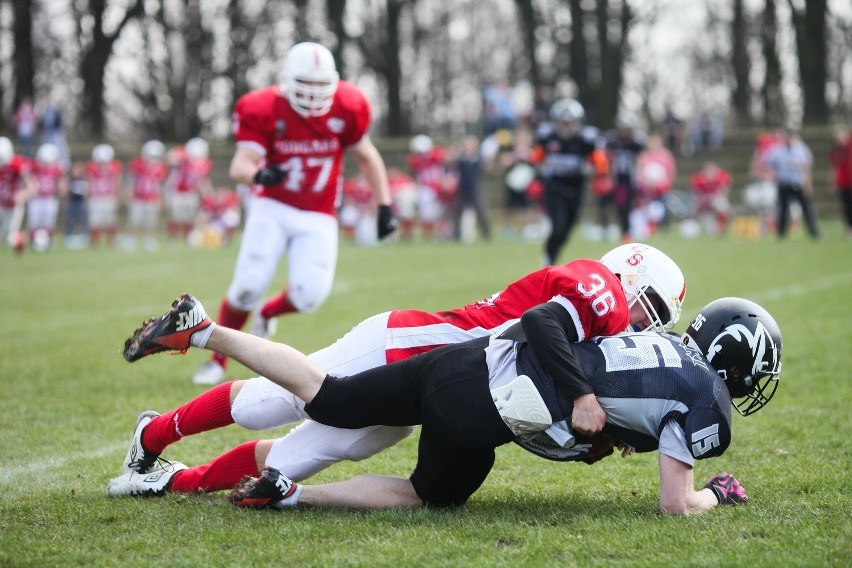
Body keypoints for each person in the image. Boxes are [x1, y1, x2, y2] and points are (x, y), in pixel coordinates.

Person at [113, 293, 781, 515]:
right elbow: (674, 501)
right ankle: (293, 493)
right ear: (741, 367)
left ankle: (204, 329)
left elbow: (556, 342)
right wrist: (714, 496)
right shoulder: (709, 404)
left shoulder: (649, 337)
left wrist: (592, 425)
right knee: (425, 495)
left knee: (328, 392)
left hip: (464, 360)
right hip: (484, 411)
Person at [106, 243, 685, 497]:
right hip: (410, 347)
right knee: (273, 402)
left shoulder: (598, 323)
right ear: (627, 278)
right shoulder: (601, 291)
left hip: (435, 381)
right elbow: (541, 323)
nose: (643, 327)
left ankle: (168, 480)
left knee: (308, 456)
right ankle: (187, 363)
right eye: (650, 309)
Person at [192, 41, 397, 386]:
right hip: (272, 205)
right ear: (289, 81)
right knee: (247, 287)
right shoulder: (264, 108)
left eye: (322, 86)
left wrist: (384, 204)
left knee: (310, 295)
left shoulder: (348, 105)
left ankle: (269, 312)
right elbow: (241, 166)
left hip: (319, 211)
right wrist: (259, 175)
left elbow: (366, 155)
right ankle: (216, 361)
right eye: (308, 85)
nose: (315, 94)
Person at [532, 98, 608, 266]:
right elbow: (536, 160)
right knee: (558, 227)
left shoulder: (586, 140)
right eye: (562, 122)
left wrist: (592, 171)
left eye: (569, 123)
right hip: (554, 188)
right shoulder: (547, 137)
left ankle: (552, 257)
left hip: (576, 189)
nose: (566, 127)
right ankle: (548, 260)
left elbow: (600, 165)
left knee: (566, 230)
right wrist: (538, 177)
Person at [761, 127, 820, 240]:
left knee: (806, 208)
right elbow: (767, 163)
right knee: (782, 210)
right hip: (783, 183)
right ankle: (781, 234)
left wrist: (807, 182)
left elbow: (808, 165)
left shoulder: (801, 148)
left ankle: (814, 232)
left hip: (798, 183)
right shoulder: (776, 150)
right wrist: (771, 174)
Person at [17, 143, 67, 251]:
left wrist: (62, 190)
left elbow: (61, 182)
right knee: (34, 222)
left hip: (50, 198)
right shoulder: (33, 166)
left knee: (49, 222)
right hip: (36, 198)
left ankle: (49, 242)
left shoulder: (57, 168)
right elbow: (27, 178)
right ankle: (33, 243)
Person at [605, 114, 646, 243]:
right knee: (617, 206)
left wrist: (639, 176)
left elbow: (640, 160)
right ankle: (614, 229)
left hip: (629, 180)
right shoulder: (613, 142)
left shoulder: (636, 143)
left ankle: (627, 232)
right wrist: (608, 175)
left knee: (627, 207)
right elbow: (607, 157)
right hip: (616, 179)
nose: (624, 132)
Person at [125, 140, 169, 252]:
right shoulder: (137, 164)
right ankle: (132, 239)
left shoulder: (161, 168)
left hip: (152, 198)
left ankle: (149, 239)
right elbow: (131, 180)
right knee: (135, 220)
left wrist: (161, 198)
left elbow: (161, 185)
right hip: (138, 197)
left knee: (151, 221)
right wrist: (129, 192)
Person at [166, 137, 212, 241]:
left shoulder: (204, 163)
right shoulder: (183, 157)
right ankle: (172, 238)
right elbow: (170, 159)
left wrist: (207, 193)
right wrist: (179, 157)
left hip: (191, 192)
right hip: (177, 191)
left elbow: (202, 180)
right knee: (176, 216)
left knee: (189, 217)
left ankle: (188, 237)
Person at [450, 135, 491, 243]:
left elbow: (486, 169)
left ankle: (487, 234)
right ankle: (456, 235)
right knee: (457, 213)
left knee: (481, 212)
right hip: (462, 190)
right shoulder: (460, 159)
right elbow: (453, 170)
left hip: (474, 189)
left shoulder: (478, 159)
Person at [86, 144, 123, 247]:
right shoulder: (92, 167)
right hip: (96, 197)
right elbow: (90, 182)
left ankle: (112, 241)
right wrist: (89, 196)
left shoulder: (114, 167)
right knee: (95, 221)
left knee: (110, 220)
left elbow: (117, 182)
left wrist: (117, 196)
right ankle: (94, 242)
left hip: (109, 196)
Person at [0, 137, 33, 248]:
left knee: (8, 239)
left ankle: (23, 239)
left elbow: (32, 185)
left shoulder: (17, 164)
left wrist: (21, 195)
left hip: (13, 207)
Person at [689, 161, 732, 237]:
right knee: (711, 232)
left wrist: (712, 198)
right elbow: (697, 195)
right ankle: (694, 225)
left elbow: (724, 191)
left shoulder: (721, 176)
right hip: (704, 205)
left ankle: (723, 225)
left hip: (716, 200)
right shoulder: (699, 178)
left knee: (721, 204)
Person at [828, 129, 852, 237]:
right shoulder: (836, 152)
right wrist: (833, 182)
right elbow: (834, 168)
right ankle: (849, 228)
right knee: (847, 206)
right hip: (844, 183)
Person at [64, 161, 89, 249]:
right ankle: (69, 237)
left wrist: (87, 201)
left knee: (82, 220)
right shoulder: (70, 179)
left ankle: (83, 236)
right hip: (73, 202)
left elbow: (86, 191)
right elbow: (66, 191)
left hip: (81, 202)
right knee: (71, 220)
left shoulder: (84, 179)